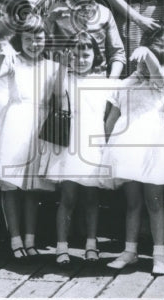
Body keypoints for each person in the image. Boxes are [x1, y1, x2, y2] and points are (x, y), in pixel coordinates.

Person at [0, 14, 60, 259]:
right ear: (20, 40)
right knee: (11, 186)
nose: (34, 43)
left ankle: (30, 240)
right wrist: (3, 50)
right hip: (15, 125)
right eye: (28, 39)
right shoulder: (13, 62)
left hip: (40, 128)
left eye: (38, 38)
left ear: (46, 39)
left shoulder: (53, 67)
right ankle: (15, 239)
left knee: (33, 189)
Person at [41, 20, 119, 266]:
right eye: (76, 55)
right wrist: (63, 68)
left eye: (87, 54)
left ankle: (91, 244)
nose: (82, 59)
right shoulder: (67, 80)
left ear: (95, 56)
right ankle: (62, 246)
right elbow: (56, 94)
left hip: (93, 145)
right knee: (68, 197)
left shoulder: (103, 81)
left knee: (92, 198)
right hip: (70, 145)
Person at [102, 42, 164, 275]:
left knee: (154, 200)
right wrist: (107, 147)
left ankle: (159, 254)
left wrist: (147, 53)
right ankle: (130, 251)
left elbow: (156, 71)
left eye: (147, 61)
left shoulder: (160, 83)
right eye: (140, 61)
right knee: (132, 202)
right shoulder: (124, 84)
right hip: (127, 146)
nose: (144, 66)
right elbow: (111, 119)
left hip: (153, 146)